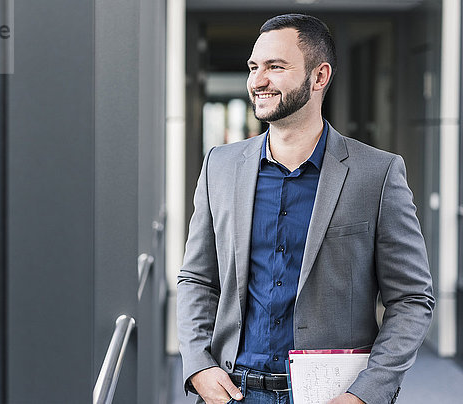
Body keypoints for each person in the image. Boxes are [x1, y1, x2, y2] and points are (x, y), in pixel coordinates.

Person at [177, 14, 434, 404]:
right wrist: (198, 363)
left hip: (330, 395)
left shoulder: (377, 174)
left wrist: (367, 392)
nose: (257, 80)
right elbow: (197, 278)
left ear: (319, 77)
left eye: (275, 67)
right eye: (253, 67)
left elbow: (412, 299)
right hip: (230, 392)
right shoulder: (220, 166)